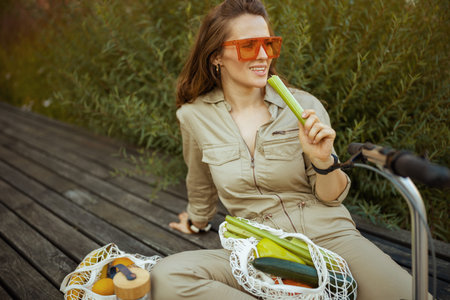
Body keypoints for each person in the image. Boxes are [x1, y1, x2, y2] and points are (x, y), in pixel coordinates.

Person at [151, 0, 418, 299]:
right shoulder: (194, 115)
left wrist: (323, 159)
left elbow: (332, 195)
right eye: (249, 46)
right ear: (216, 57)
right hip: (259, 248)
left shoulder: (304, 106)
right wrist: (197, 219)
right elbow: (200, 180)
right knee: (167, 277)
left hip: (330, 235)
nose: (263, 55)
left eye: (269, 44)